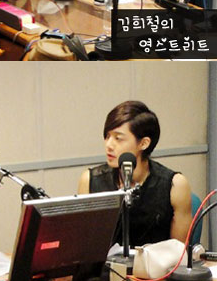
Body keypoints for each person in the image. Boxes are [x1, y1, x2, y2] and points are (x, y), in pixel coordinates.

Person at [78, 101, 192, 247]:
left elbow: (179, 251)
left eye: (118, 138)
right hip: (107, 262)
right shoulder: (90, 180)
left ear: (143, 143)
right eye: (107, 136)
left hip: (155, 261)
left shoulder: (175, 185)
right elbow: (83, 245)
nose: (109, 145)